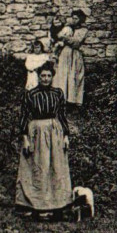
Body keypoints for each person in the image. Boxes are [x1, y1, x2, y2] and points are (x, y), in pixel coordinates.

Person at [15, 63, 72, 220]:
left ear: (52, 77)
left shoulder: (58, 93)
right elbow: (24, 117)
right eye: (43, 76)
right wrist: (25, 138)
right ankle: (35, 206)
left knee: (56, 167)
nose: (46, 79)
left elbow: (62, 115)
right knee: (39, 166)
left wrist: (66, 135)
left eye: (48, 76)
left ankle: (58, 206)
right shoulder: (31, 94)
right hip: (36, 132)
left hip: (55, 132)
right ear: (38, 77)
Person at [53, 10, 88, 106]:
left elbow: (76, 42)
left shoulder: (83, 30)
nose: (74, 20)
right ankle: (61, 99)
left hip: (76, 55)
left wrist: (65, 38)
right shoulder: (68, 28)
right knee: (63, 75)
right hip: (65, 53)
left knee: (75, 76)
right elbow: (58, 36)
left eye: (76, 18)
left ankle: (73, 101)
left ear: (81, 19)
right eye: (73, 18)